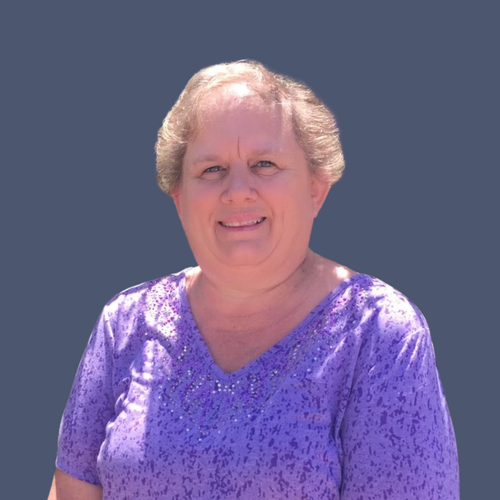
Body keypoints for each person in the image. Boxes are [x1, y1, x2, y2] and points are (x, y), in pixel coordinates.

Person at [48, 60, 459, 499]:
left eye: (265, 163)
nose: (238, 190)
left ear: (316, 188)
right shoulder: (124, 323)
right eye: (212, 169)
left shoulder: (379, 332)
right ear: (179, 198)